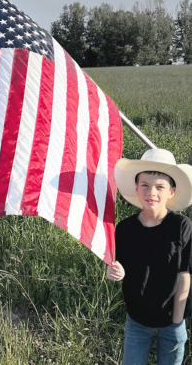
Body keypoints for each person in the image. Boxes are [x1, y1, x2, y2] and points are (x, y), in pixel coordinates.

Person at [106, 148, 192, 365]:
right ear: (136, 188)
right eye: (144, 185)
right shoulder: (125, 229)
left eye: (159, 187)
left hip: (172, 320)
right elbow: (121, 266)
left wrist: (177, 320)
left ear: (171, 192)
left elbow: (184, 275)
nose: (151, 192)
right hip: (137, 320)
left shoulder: (181, 225)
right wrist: (115, 271)